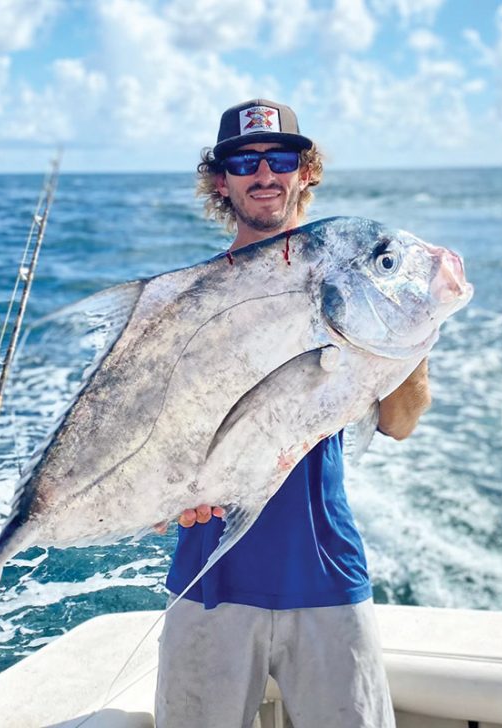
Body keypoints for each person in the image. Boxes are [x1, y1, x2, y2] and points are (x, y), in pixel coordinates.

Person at [154, 99, 431, 728]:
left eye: (280, 158)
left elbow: (400, 423)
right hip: (208, 576)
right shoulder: (190, 301)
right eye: (243, 161)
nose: (264, 174)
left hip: (327, 573)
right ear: (219, 180)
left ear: (304, 171)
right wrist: (166, 493)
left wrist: (409, 338)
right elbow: (160, 433)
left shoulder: (349, 285)